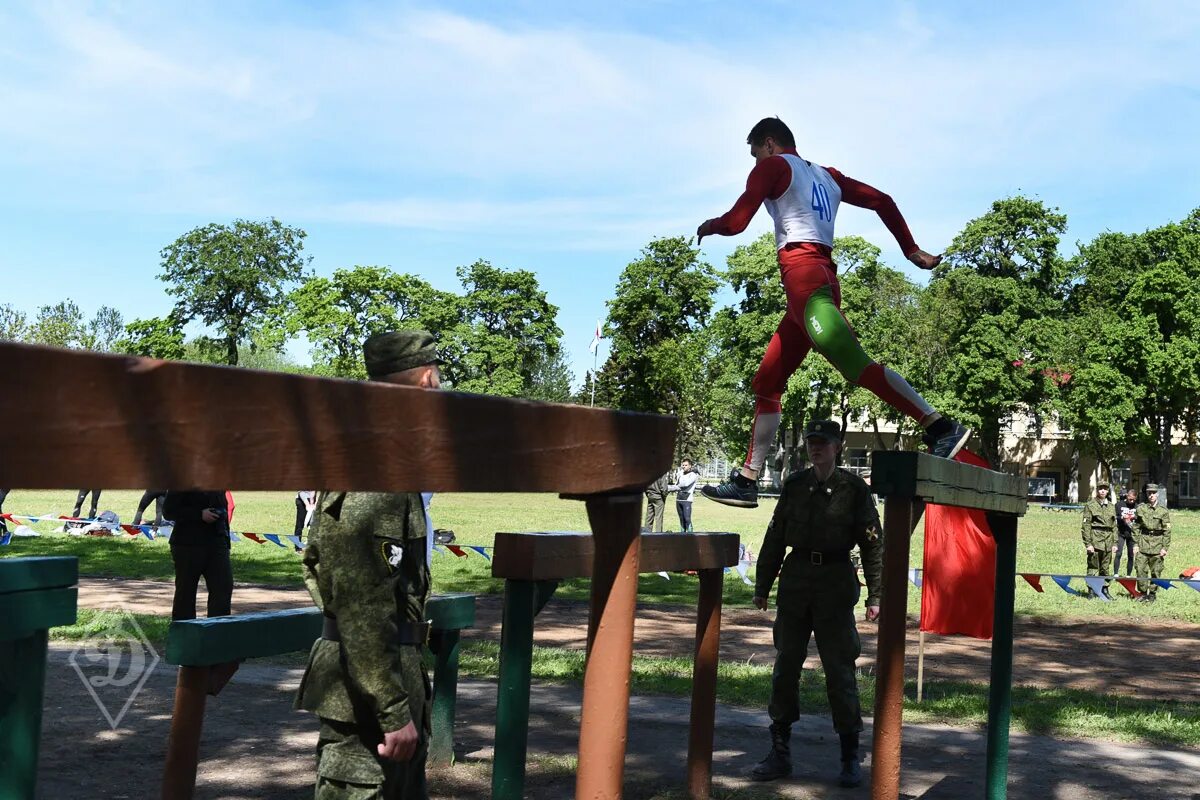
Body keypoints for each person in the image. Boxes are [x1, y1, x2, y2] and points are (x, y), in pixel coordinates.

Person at [695, 117, 970, 509]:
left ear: (769, 144)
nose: (754, 162)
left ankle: (939, 426)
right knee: (767, 382)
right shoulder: (828, 176)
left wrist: (711, 225)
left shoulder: (773, 167)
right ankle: (746, 480)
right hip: (809, 288)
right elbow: (882, 200)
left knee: (855, 364)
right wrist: (910, 249)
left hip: (806, 282)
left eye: (754, 152)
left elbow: (737, 222)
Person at [295, 330, 442, 799]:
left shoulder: (388, 464)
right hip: (366, 698)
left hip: (387, 683)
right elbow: (361, 605)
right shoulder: (375, 474)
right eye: (438, 380)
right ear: (424, 382)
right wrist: (393, 709)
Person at [750, 419, 882, 788]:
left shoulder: (854, 489)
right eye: (811, 442)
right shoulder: (794, 485)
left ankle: (849, 756)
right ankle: (779, 752)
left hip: (835, 584)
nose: (816, 448)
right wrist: (763, 583)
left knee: (840, 671)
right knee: (785, 666)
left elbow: (873, 544)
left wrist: (876, 595)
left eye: (823, 442)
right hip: (795, 583)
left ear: (838, 446)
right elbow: (775, 537)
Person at [163, 490, 232, 621]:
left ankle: (218, 632)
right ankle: (184, 635)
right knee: (186, 593)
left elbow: (224, 508)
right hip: (187, 544)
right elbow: (168, 511)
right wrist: (199, 514)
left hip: (217, 542)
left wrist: (226, 543)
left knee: (223, 587)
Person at [1133, 484, 1171, 603]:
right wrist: (1135, 544)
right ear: (1146, 494)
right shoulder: (1141, 509)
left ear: (1157, 494)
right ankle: (1143, 593)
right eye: (1149, 493)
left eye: (1153, 493)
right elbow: (1136, 527)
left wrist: (1165, 547)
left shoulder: (1163, 511)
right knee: (1140, 569)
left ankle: (1152, 594)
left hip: (1157, 543)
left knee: (1156, 571)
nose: (1151, 495)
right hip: (1143, 542)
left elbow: (1167, 530)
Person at [1081, 482, 1116, 598]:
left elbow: (1114, 526)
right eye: (1101, 489)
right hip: (1095, 539)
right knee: (1093, 567)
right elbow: (1086, 526)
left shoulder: (1111, 506)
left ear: (1107, 491)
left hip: (1108, 541)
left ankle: (1104, 589)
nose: (1103, 491)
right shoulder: (1090, 505)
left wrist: (1115, 542)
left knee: (1105, 568)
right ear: (1097, 490)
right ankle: (1091, 590)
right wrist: (1088, 544)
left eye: (1105, 489)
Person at [669, 458, 699, 532]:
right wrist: (668, 488)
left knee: (687, 518)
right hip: (678, 499)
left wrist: (675, 487)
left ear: (690, 466)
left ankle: (690, 536)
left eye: (686, 465)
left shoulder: (693, 475)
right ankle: (682, 535)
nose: (684, 466)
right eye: (683, 465)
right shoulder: (680, 474)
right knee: (681, 519)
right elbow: (677, 485)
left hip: (687, 500)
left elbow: (685, 484)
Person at [1114, 487, 1138, 577]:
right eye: (1130, 499)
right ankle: (1115, 574)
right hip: (1121, 532)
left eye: (1133, 500)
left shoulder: (1137, 507)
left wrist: (1133, 518)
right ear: (1127, 496)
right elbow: (1115, 516)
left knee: (1131, 555)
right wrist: (1122, 518)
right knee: (1118, 553)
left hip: (1131, 534)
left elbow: (1139, 518)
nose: (1131, 501)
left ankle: (1128, 575)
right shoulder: (1119, 505)